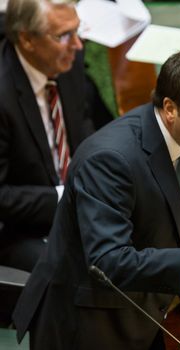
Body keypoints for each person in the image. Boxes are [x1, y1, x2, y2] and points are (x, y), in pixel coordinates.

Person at [13, 48, 180, 350]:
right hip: (89, 326)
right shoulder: (109, 160)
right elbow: (108, 262)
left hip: (144, 309)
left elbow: (177, 210)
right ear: (170, 108)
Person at [0, 0, 112, 272]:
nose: (77, 45)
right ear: (27, 39)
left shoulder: (67, 62)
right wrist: (67, 196)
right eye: (63, 35)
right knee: (77, 272)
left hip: (80, 206)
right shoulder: (3, 94)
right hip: (19, 228)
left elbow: (87, 132)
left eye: (77, 31)